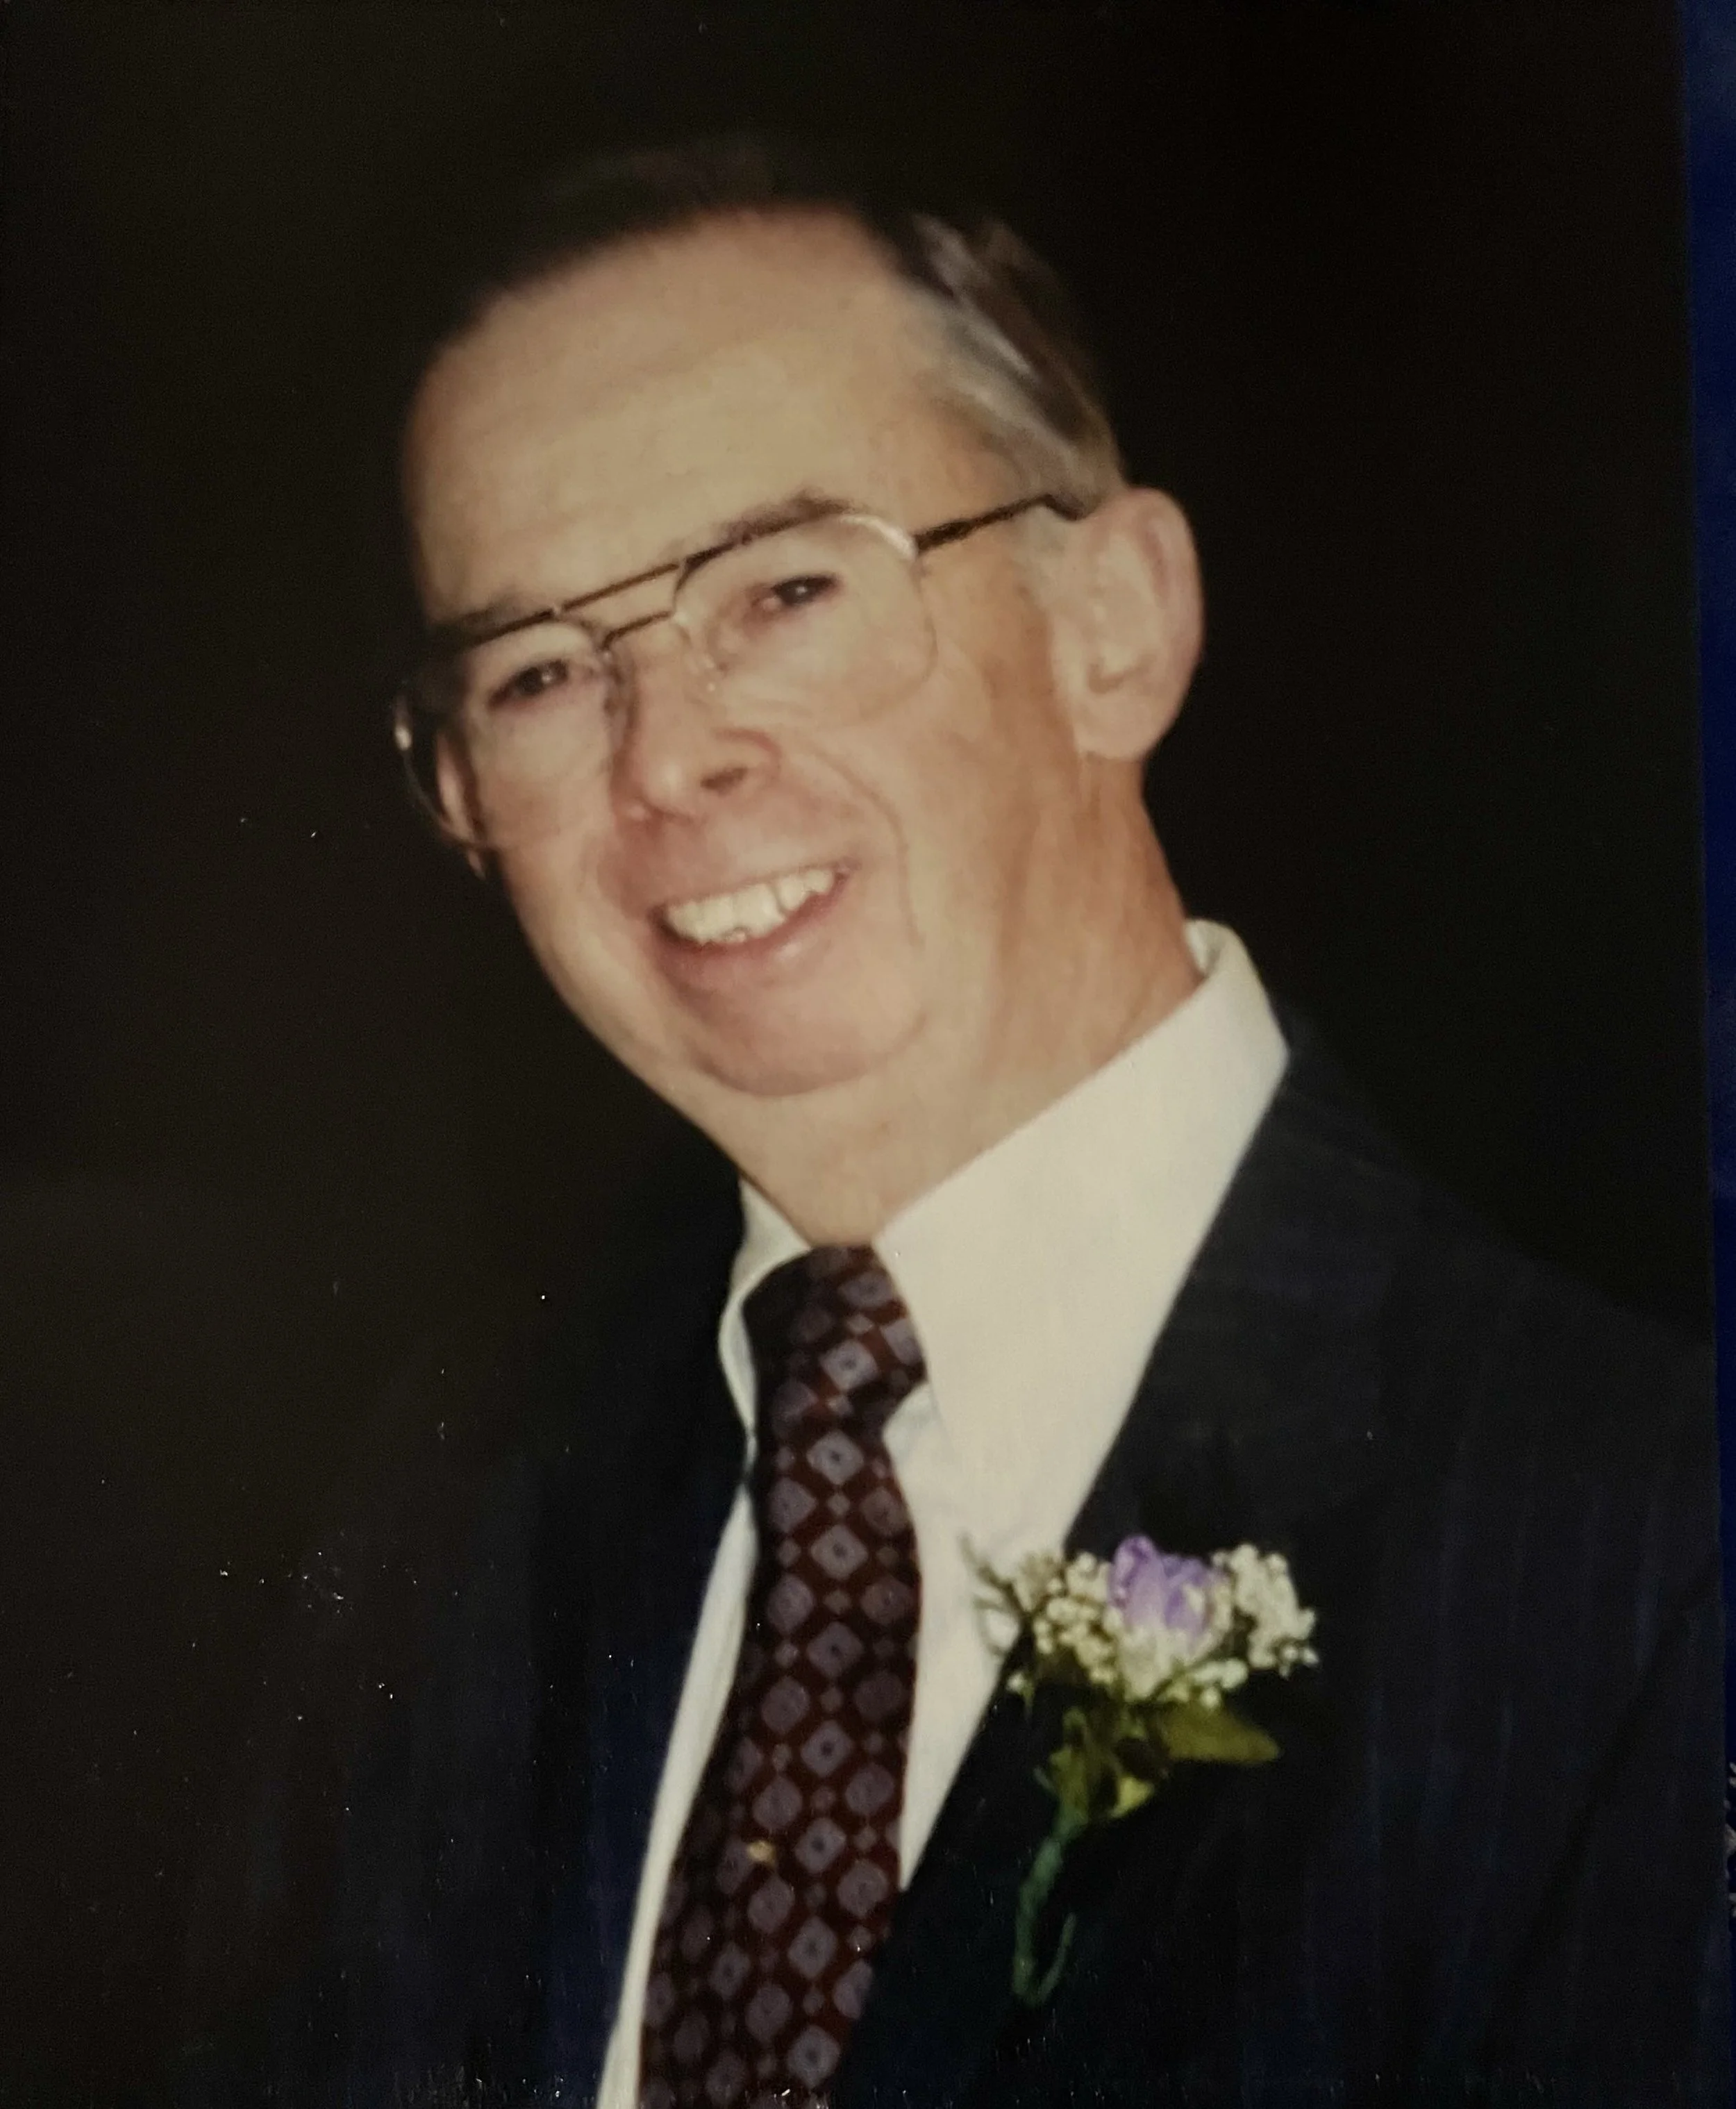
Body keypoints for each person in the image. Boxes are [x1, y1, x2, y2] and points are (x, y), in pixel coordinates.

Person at [183, 137, 1728, 2108]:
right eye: (542, 671)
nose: (668, 756)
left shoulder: (1645, 1552)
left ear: (1116, 627)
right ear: (465, 804)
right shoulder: (440, 1525)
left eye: (785, 589)